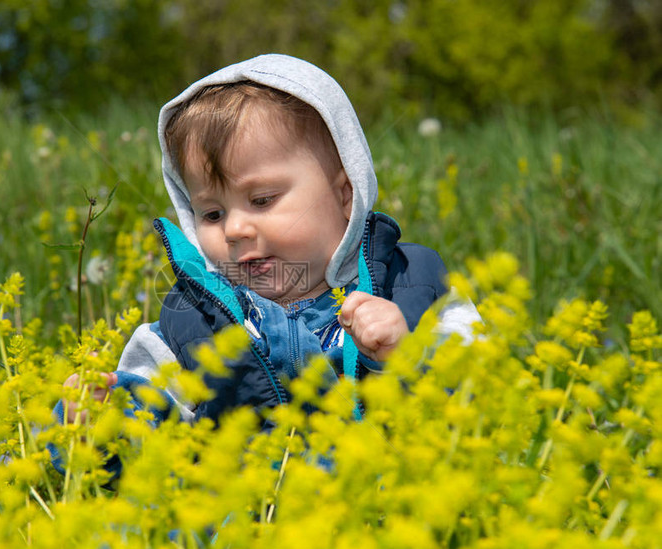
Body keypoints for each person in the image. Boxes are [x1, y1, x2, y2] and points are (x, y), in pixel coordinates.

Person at [57, 54, 480, 433]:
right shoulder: (188, 325)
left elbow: (479, 395)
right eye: (211, 214)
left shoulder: (412, 285)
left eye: (262, 200)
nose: (235, 229)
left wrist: (405, 358)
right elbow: (153, 435)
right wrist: (103, 422)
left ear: (344, 194)